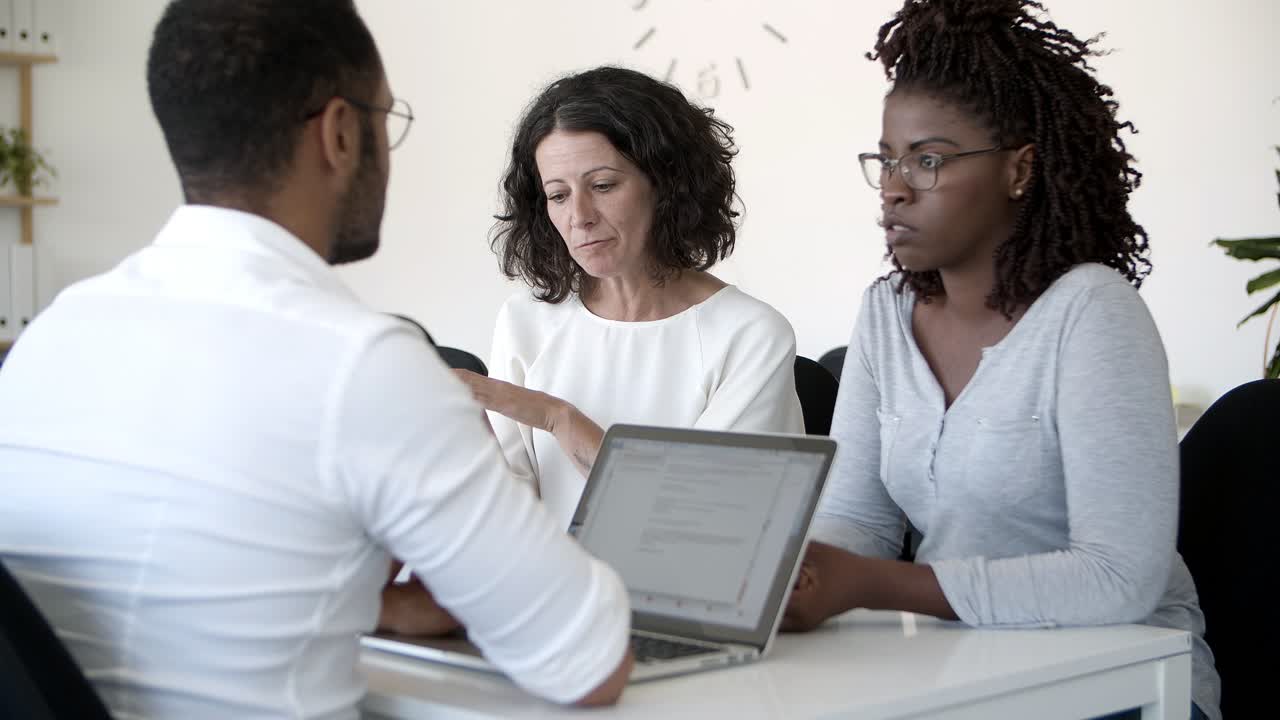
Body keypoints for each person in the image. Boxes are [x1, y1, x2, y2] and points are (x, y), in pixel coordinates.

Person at [0, 1, 632, 717]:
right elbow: (590, 663)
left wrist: (359, 595)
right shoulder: (364, 364)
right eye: (385, 120)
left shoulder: (49, 339)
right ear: (339, 132)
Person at [779, 2, 1220, 719]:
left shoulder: (1092, 314)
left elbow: (1119, 580)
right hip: (964, 668)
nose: (895, 186)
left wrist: (870, 584)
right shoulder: (885, 313)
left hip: (1127, 679)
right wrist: (799, 576)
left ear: (1019, 168)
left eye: (928, 160)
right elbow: (858, 520)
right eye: (887, 159)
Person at [468, 66, 805, 529]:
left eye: (603, 186)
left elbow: (708, 526)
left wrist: (558, 418)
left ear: (666, 184)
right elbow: (505, 521)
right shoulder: (524, 320)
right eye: (558, 195)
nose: (579, 216)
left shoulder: (750, 334)